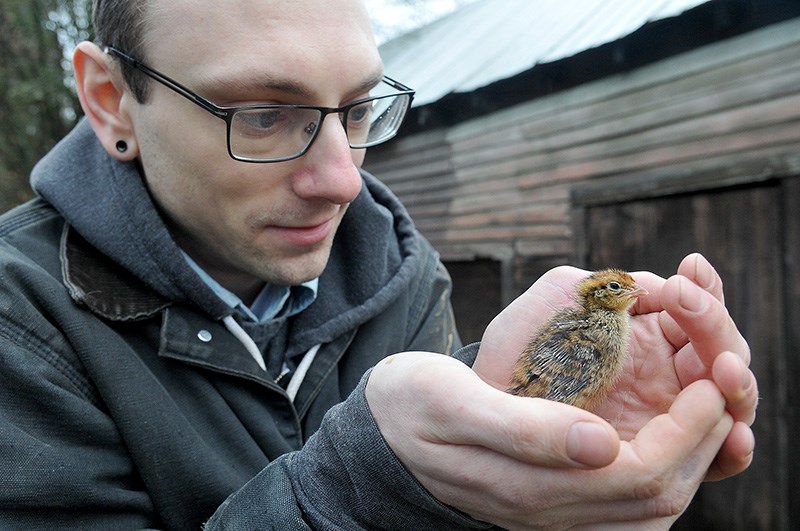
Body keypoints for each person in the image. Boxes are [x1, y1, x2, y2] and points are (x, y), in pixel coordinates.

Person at [0, 0, 757, 529]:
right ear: (110, 100)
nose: (345, 180)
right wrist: (378, 488)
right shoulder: (22, 321)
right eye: (262, 115)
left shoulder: (402, 274)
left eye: (358, 110)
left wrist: (510, 462)